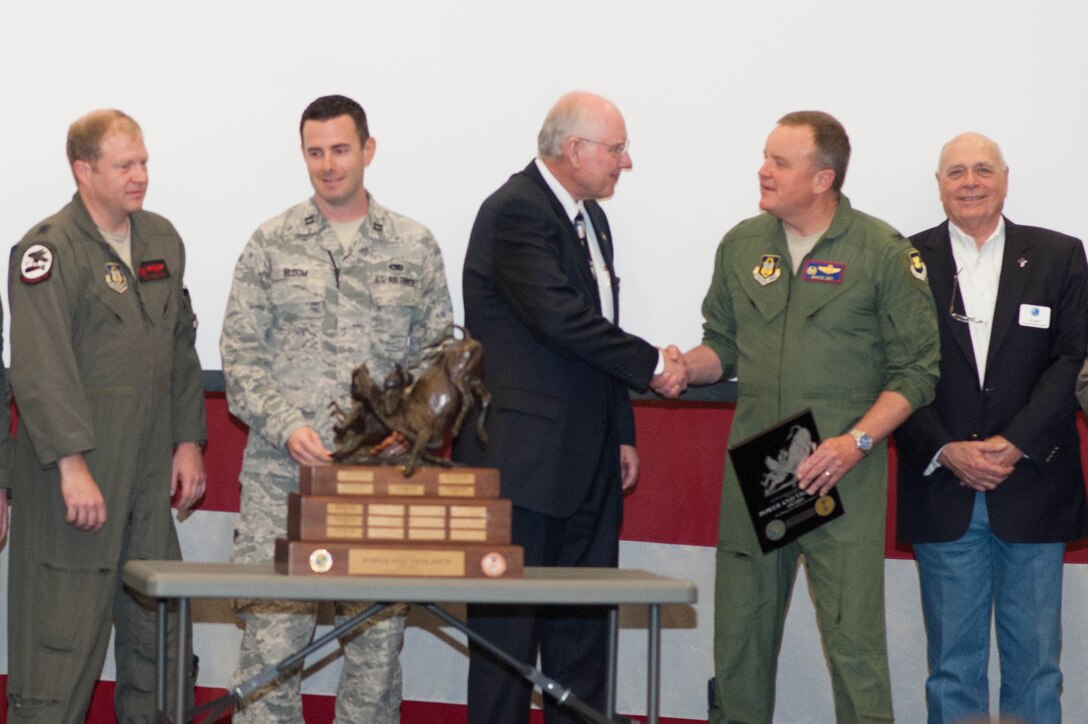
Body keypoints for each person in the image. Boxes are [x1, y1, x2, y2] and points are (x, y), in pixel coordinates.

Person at [666, 111, 940, 723]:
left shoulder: (881, 252)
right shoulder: (742, 244)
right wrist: (688, 366)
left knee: (855, 647)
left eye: (779, 162)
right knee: (740, 641)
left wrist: (856, 442)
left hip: (841, 471)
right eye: (765, 158)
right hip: (760, 469)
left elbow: (918, 373)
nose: (763, 171)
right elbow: (723, 346)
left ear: (823, 179)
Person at [220, 94, 454, 723]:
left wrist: (412, 429)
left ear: (368, 150)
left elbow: (438, 361)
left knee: (376, 660)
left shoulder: (414, 245)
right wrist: (286, 424)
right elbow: (239, 359)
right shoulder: (270, 244)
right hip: (282, 483)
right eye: (315, 151)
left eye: (341, 149)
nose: (328, 164)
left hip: (378, 488)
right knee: (269, 664)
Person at [454, 90, 685, 724]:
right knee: (506, 649)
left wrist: (621, 430)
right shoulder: (515, 212)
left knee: (582, 643)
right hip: (519, 469)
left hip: (586, 465)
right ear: (574, 149)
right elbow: (561, 319)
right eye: (616, 148)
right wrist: (655, 366)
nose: (626, 161)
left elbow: (596, 327)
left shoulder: (590, 219)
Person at [6, 109, 207, 722]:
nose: (140, 175)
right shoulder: (48, 251)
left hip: (148, 475)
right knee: (58, 645)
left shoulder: (161, 240)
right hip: (75, 477)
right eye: (125, 165)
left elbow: (179, 346)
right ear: (84, 170)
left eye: (143, 161)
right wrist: (71, 466)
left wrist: (190, 441)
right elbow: (39, 369)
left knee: (160, 641)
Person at [898, 132, 1088, 724]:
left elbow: (1071, 358)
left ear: (1005, 178)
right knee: (953, 668)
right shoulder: (903, 259)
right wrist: (945, 447)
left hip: (1031, 482)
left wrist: (1017, 442)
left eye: (983, 169)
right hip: (943, 483)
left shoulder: (1059, 255)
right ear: (939, 185)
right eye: (956, 172)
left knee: (1036, 667)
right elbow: (892, 368)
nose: (970, 182)